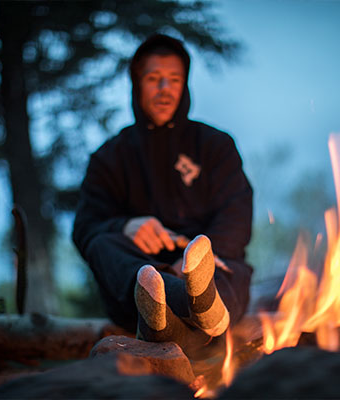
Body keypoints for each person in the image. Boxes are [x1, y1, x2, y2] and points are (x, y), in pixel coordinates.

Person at [72, 34, 253, 356]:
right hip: (140, 280)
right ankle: (170, 297)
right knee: (103, 243)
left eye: (174, 79)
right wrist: (124, 227)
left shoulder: (215, 146)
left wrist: (199, 262)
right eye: (153, 79)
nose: (164, 89)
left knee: (223, 270)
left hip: (213, 275)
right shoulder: (110, 157)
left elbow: (236, 210)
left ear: (185, 85)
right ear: (136, 85)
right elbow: (85, 227)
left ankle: (198, 302)